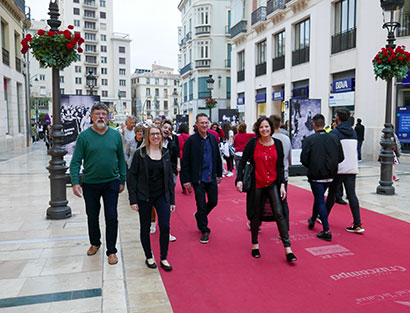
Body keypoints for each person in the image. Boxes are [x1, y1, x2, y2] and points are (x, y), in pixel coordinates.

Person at [70, 103, 127, 265]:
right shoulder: (84, 137)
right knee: (92, 216)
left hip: (111, 182)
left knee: (112, 216)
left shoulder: (115, 136)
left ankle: (112, 251)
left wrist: (122, 179)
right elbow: (75, 162)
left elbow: (121, 159)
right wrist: (75, 182)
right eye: (98, 114)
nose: (101, 116)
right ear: (92, 117)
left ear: (108, 117)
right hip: (90, 183)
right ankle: (95, 243)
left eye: (104, 114)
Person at [236, 117, 297, 262]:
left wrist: (282, 184)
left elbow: (281, 166)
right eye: (261, 127)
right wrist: (239, 179)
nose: (264, 129)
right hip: (257, 183)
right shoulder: (253, 143)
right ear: (258, 129)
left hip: (273, 183)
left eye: (267, 127)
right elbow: (243, 162)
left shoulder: (278, 144)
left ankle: (288, 248)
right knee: (256, 214)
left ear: (271, 128)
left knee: (279, 213)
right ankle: (255, 244)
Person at [127, 125, 175, 271]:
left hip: (162, 196)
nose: (156, 137)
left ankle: (164, 257)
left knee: (165, 226)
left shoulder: (166, 153)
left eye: (158, 134)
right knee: (145, 227)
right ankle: (149, 256)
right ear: (147, 136)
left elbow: (169, 179)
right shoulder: (140, 154)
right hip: (144, 196)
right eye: (153, 134)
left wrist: (172, 200)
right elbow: (132, 177)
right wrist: (133, 199)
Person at [301, 114, 344, 241]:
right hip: (331, 174)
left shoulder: (310, 140)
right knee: (318, 198)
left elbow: (304, 159)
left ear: (314, 124)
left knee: (320, 200)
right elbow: (341, 157)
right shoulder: (334, 138)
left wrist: (313, 165)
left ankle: (326, 230)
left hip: (316, 175)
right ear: (324, 124)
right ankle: (313, 219)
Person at [181, 113, 223, 244]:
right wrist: (185, 180)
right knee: (200, 205)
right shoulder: (191, 141)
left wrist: (219, 173)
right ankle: (204, 230)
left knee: (213, 201)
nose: (204, 125)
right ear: (197, 124)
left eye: (206, 122)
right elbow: (185, 162)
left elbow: (217, 156)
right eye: (202, 123)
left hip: (211, 176)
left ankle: (199, 216)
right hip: (198, 178)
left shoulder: (212, 138)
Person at [326, 108, 365, 233]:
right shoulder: (353, 132)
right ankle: (357, 223)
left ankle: (323, 217)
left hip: (339, 168)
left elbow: (331, 151)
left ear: (337, 118)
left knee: (332, 194)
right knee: (352, 195)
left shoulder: (335, 132)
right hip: (351, 167)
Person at [271, 115, 292, 231]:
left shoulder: (270, 139)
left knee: (263, 200)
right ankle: (286, 227)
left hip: (272, 174)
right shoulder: (286, 138)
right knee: (283, 201)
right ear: (280, 124)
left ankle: (256, 224)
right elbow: (289, 158)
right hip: (284, 173)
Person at [177, 123, 191, 195]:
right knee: (189, 171)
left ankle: (184, 188)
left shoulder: (178, 137)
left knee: (182, 173)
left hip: (181, 156)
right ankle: (190, 185)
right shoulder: (190, 137)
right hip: (190, 156)